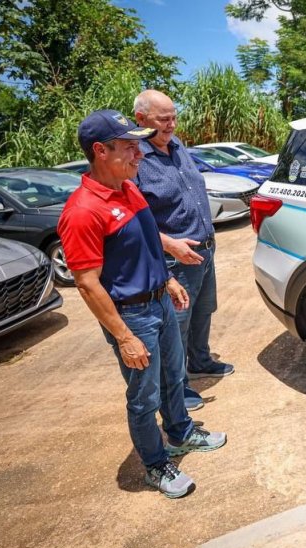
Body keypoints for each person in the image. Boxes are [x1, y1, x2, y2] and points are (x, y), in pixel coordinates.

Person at [57, 109, 227, 499]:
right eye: (130, 147)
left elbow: (148, 241)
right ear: (100, 150)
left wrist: (166, 279)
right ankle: (155, 464)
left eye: (139, 145)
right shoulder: (83, 211)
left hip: (158, 303)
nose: (139, 154)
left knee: (173, 375)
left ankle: (182, 433)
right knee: (144, 395)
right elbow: (86, 283)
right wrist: (124, 337)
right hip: (131, 315)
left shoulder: (128, 188)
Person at [133, 89, 233, 412]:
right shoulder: (136, 160)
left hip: (204, 252)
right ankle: (178, 388)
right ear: (141, 119)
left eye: (174, 117)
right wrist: (168, 244)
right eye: (164, 119)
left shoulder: (179, 148)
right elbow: (135, 220)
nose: (172, 124)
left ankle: (201, 360)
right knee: (177, 325)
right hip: (174, 261)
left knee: (204, 311)